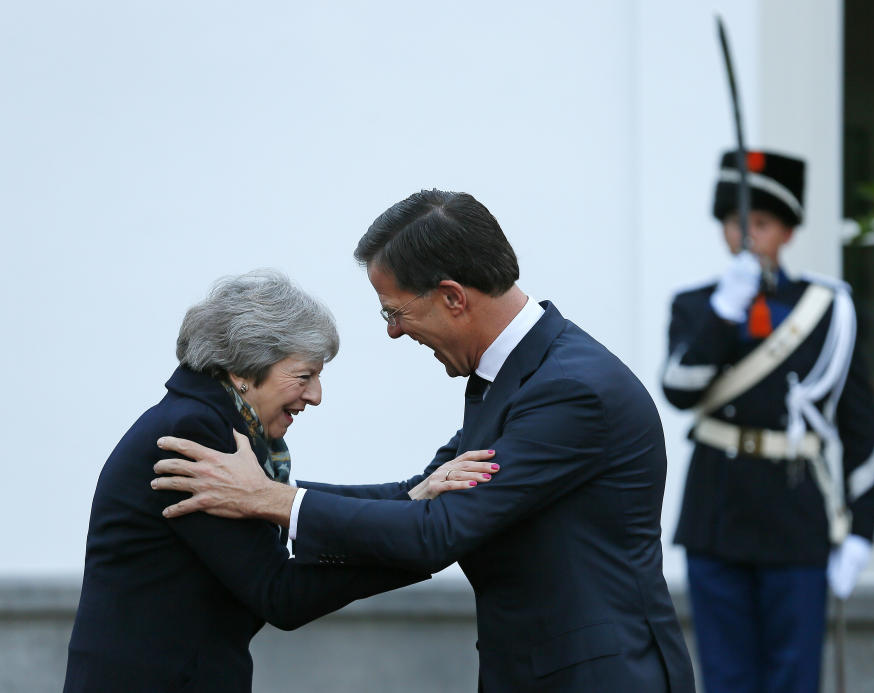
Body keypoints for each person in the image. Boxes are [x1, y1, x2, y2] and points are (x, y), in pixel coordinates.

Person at [152, 190, 696, 692]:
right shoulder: (522, 376)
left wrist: (269, 500)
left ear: (453, 297)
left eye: (394, 311)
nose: (392, 330)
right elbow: (419, 494)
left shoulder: (570, 391)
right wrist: (263, 492)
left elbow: (440, 531)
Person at [64, 270, 495, 693]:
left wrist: (412, 497)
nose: (316, 395)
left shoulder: (204, 418)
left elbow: (277, 500)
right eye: (304, 376)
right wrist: (420, 542)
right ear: (243, 369)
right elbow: (279, 592)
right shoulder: (193, 432)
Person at [660, 150, 874, 693]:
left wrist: (861, 533)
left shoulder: (828, 310)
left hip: (796, 515)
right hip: (719, 512)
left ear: (786, 232)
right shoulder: (696, 307)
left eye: (760, 224)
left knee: (793, 677)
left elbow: (861, 429)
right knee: (727, 675)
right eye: (736, 223)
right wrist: (723, 314)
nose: (745, 236)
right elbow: (679, 390)